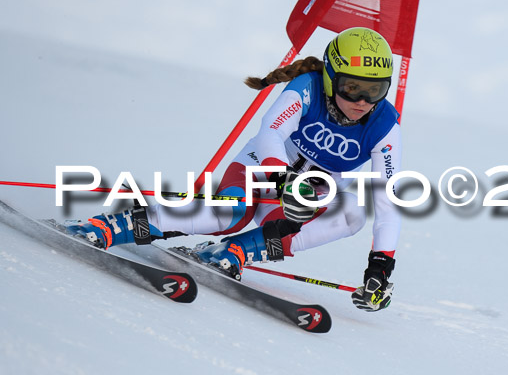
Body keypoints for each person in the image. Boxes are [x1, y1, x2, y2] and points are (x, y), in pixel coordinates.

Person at [65, 27, 402, 312]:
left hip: (304, 196)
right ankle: (112, 226)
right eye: (352, 87)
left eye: (375, 90)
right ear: (330, 78)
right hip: (260, 168)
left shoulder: (385, 125)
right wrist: (282, 180)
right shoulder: (308, 88)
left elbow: (387, 201)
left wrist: (380, 266)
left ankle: (236, 251)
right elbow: (270, 132)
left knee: (351, 215)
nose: (362, 101)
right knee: (232, 212)